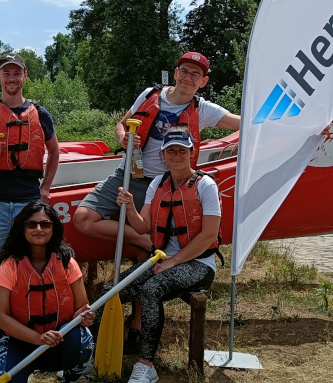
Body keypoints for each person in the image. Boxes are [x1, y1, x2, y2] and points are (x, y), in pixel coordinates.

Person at [73, 51, 238, 253]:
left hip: (161, 184)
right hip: (126, 174)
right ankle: (144, 240)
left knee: (153, 246)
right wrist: (122, 138)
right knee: (83, 219)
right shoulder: (150, 94)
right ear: (176, 73)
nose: (188, 78)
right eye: (184, 72)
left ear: (203, 81)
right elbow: (122, 125)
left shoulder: (204, 109)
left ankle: (148, 251)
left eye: (195, 75)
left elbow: (244, 123)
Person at [109, 130, 220, 383]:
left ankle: (146, 365)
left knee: (151, 289)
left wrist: (173, 262)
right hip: (161, 260)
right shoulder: (157, 183)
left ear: (193, 153)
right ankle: (95, 356)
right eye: (171, 151)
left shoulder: (205, 185)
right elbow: (143, 227)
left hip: (199, 264)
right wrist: (130, 207)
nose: (177, 155)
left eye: (183, 150)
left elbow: (208, 235)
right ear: (163, 155)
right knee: (109, 291)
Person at [0, 202, 95, 383]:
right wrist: (38, 338)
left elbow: (81, 307)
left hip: (61, 338)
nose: (39, 229)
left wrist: (84, 317)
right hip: (23, 341)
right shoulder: (10, 265)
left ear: (53, 228)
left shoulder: (67, 262)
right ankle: (20, 382)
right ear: (23, 228)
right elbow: (2, 318)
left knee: (82, 338)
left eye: (45, 224)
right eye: (32, 224)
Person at [0, 52, 59, 296]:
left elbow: (54, 152)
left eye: (17, 72)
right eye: (6, 73)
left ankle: (22, 328)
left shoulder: (41, 114)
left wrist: (46, 188)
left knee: (29, 266)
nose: (11, 78)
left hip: (29, 202)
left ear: (25, 76)